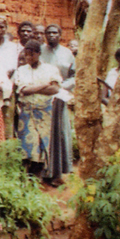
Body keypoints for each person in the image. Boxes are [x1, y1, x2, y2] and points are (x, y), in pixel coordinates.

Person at [12, 40, 61, 178]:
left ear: (39, 54)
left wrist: (35, 88)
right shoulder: (21, 71)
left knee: (43, 143)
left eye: (31, 54)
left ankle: (40, 175)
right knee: (29, 143)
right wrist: (44, 85)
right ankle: (27, 176)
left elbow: (55, 89)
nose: (28, 57)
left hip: (44, 112)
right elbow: (24, 90)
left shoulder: (50, 69)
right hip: (27, 112)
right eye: (26, 54)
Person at [41, 24, 76, 184]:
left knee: (59, 134)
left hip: (60, 99)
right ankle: (43, 171)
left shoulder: (67, 53)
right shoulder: (41, 51)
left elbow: (74, 76)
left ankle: (58, 174)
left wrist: (61, 87)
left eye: (55, 33)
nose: (51, 35)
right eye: (48, 33)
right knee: (44, 134)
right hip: (42, 97)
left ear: (60, 35)